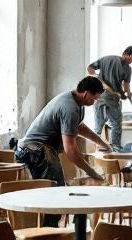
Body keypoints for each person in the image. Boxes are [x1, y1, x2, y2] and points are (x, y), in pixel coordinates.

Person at [15, 76, 109, 225]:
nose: (94, 102)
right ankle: (47, 235)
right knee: (55, 193)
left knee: (53, 191)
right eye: (94, 98)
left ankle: (46, 232)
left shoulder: (74, 101)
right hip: (36, 150)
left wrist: (103, 143)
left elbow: (79, 127)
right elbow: (70, 150)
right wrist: (92, 172)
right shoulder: (69, 107)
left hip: (35, 148)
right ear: (86, 93)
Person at [87, 46, 132, 151]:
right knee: (116, 124)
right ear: (129, 55)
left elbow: (90, 68)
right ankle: (115, 148)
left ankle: (96, 149)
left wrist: (127, 94)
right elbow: (126, 84)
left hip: (99, 96)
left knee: (98, 125)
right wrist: (101, 80)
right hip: (110, 97)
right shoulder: (126, 68)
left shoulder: (107, 59)